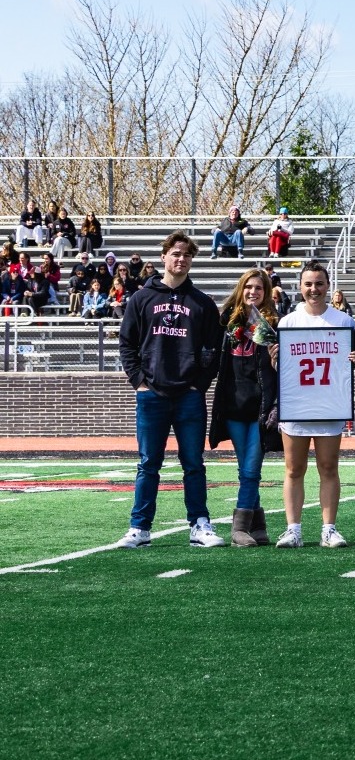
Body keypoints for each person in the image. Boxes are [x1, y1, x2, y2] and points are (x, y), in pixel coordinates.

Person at [118, 232, 226, 549]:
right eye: (175, 253)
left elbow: (213, 352)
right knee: (149, 462)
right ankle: (140, 527)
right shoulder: (140, 299)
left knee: (193, 462)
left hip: (189, 395)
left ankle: (199, 524)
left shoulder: (203, 303)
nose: (180, 259)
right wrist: (139, 381)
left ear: (192, 260)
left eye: (187, 255)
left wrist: (198, 384)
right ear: (164, 256)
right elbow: (127, 345)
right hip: (151, 393)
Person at [275, 261, 354, 549]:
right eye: (308, 284)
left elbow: (350, 362)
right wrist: (276, 360)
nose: (314, 289)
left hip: (329, 403)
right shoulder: (288, 322)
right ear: (300, 287)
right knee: (293, 469)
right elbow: (282, 368)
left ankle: (328, 529)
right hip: (298, 403)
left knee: (328, 467)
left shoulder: (343, 321)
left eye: (319, 283)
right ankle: (293, 529)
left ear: (328, 285)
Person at [210, 268, 281, 547]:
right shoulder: (227, 323)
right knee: (246, 469)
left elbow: (283, 370)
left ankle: (238, 529)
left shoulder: (274, 325)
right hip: (232, 406)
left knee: (251, 469)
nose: (253, 292)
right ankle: (258, 527)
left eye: (259, 288)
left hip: (260, 408)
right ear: (241, 289)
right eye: (249, 287)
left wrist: (278, 357)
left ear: (266, 293)